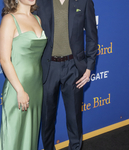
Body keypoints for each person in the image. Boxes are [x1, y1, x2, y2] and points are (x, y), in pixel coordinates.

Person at [34, 0, 98, 149]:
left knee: (74, 119)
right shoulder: (39, 2)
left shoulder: (84, 2)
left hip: (74, 68)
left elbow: (92, 36)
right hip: (48, 68)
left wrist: (89, 67)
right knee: (47, 118)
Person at [0, 0, 47, 149]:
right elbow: (5, 60)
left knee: (30, 135)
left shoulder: (37, 19)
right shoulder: (9, 20)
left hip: (36, 86)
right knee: (14, 136)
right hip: (17, 87)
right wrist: (20, 90)